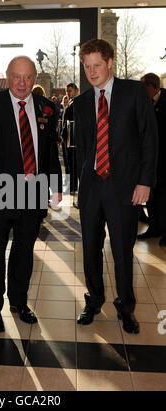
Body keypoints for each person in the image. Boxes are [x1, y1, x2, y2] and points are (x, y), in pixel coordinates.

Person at [0, 56, 62, 334]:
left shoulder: (47, 108)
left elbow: (50, 150)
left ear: (34, 78)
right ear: (7, 76)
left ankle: (19, 301)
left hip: (32, 193)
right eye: (17, 76)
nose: (22, 82)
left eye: (28, 77)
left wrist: (55, 186)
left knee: (24, 250)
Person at [74, 39, 158, 334]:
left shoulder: (134, 93)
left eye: (97, 65)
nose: (92, 71)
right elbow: (83, 150)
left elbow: (150, 140)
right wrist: (79, 187)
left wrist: (145, 182)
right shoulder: (81, 102)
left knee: (123, 251)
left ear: (110, 63)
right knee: (90, 250)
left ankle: (126, 307)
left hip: (125, 189)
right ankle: (94, 300)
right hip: (92, 188)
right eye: (87, 66)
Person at [138, 73, 166, 246]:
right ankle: (154, 227)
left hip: (165, 159)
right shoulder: (144, 104)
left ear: (152, 86)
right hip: (151, 159)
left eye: (143, 87)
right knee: (153, 196)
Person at [61, 83, 79, 193]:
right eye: (67, 91)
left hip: (72, 138)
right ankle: (71, 186)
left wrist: (63, 135)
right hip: (68, 137)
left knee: (72, 163)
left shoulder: (76, 103)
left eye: (70, 90)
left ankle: (72, 187)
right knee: (69, 163)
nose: (68, 93)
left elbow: (70, 122)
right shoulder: (71, 102)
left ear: (76, 91)